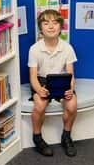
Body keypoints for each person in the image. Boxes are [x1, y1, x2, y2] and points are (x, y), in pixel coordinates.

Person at [28, 9, 78, 157]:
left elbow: (71, 75)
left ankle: (66, 136)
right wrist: (38, 90)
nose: (51, 26)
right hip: (42, 81)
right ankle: (37, 137)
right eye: (46, 23)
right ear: (41, 28)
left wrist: (70, 89)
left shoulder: (67, 48)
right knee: (40, 104)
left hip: (62, 80)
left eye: (55, 23)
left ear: (60, 27)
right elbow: (32, 76)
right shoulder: (35, 49)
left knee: (72, 104)